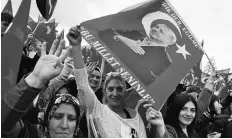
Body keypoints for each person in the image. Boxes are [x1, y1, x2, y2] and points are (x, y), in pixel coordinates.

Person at [68, 26, 147, 137]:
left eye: (119, 89)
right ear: (104, 90)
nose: (115, 93)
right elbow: (82, 85)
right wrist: (76, 47)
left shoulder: (135, 117)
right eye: (110, 89)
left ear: (125, 91)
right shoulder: (96, 109)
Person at [1, 38, 82, 138]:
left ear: (77, 124)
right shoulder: (31, 134)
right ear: (46, 117)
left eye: (71, 118)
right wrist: (36, 79)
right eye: (57, 116)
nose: (64, 125)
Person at [109, 11, 182, 86]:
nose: (156, 30)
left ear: (169, 41)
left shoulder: (165, 61)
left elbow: (153, 84)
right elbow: (105, 31)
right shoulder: (135, 33)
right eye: (157, 27)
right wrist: (119, 37)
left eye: (161, 31)